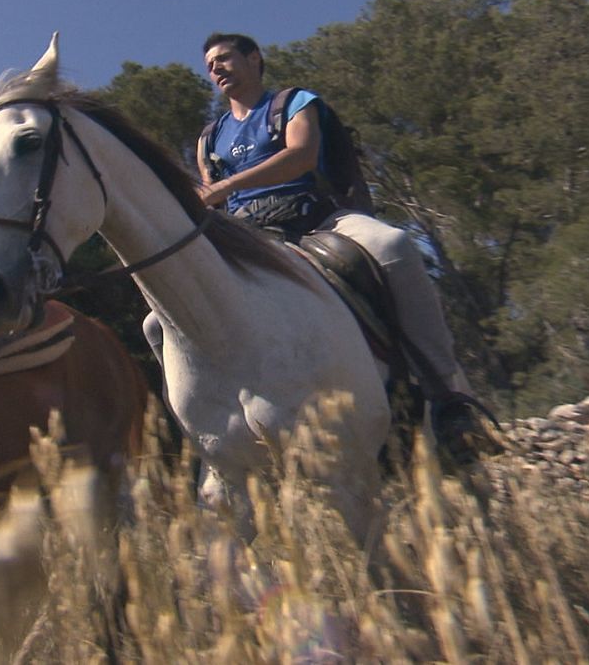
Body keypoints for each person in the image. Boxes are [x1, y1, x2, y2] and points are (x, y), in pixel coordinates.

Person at [189, 32, 493, 461]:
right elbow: (209, 196)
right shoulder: (209, 137)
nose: (215, 69)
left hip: (316, 219)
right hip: (247, 235)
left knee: (394, 245)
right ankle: (209, 432)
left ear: (254, 58)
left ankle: (450, 398)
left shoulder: (293, 103)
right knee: (158, 320)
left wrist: (226, 186)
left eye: (224, 59)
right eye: (209, 65)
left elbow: (302, 155)